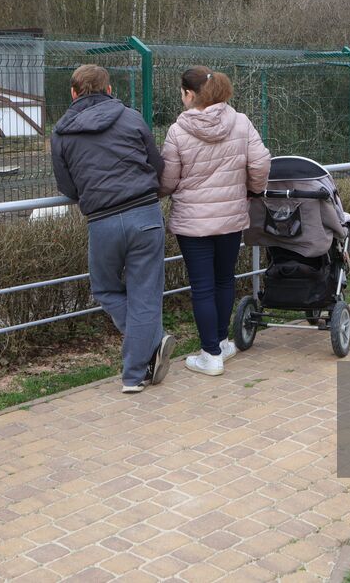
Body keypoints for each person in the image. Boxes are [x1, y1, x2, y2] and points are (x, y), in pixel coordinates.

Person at [51, 64, 175, 394]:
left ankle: (143, 356)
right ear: (109, 90)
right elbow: (158, 165)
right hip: (145, 215)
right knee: (145, 295)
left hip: (102, 221)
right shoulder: (131, 117)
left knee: (104, 289)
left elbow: (67, 186)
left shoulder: (61, 133)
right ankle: (137, 368)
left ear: (74, 93)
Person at [160, 67, 271, 377]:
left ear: (189, 94)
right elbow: (261, 161)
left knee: (202, 287)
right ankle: (221, 344)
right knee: (224, 279)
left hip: (193, 222)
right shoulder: (241, 122)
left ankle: (210, 355)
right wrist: (252, 189)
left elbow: (168, 180)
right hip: (232, 217)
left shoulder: (177, 131)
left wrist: (168, 190)